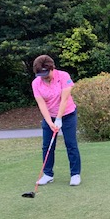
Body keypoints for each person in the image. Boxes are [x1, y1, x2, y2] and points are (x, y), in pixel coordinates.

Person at [31, 55, 81, 186]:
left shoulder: (63, 76)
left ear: (52, 68)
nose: (44, 77)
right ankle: (48, 174)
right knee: (47, 146)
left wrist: (59, 118)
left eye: (46, 74)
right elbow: (41, 104)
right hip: (50, 116)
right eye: (41, 75)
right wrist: (50, 122)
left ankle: (75, 174)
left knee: (71, 144)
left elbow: (64, 99)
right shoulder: (36, 83)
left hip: (68, 114)